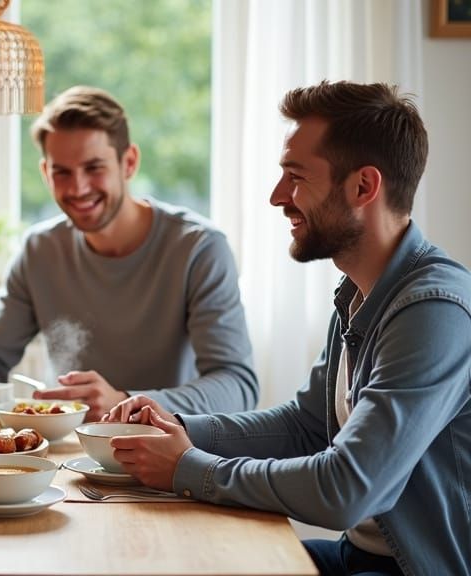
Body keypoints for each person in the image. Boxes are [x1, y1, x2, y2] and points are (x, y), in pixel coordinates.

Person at [104, 81, 470, 576]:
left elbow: (347, 489)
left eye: (295, 177)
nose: (278, 197)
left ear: (364, 187)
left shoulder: (433, 310)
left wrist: (188, 468)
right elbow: (305, 426)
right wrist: (180, 427)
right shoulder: (359, 292)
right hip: (356, 557)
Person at [0, 85, 258, 421]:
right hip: (65, 451)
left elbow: (237, 386)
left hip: (166, 453)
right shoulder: (40, 250)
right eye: (62, 172)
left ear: (129, 162)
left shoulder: (199, 249)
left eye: (94, 167)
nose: (78, 188)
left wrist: (125, 401)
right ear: (46, 173)